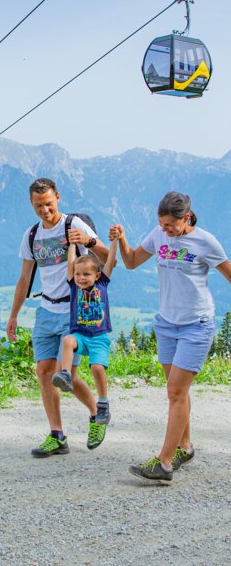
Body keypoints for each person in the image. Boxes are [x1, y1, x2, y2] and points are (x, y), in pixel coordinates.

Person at [110, 191, 231, 483]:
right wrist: (122, 239)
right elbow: (132, 261)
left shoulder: (206, 242)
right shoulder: (158, 234)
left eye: (170, 225)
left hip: (196, 325)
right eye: (161, 224)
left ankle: (164, 462)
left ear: (186, 218)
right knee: (178, 391)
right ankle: (184, 447)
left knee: (175, 392)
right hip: (166, 324)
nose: (165, 230)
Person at [7, 177, 110, 457]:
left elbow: (107, 256)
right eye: (38, 206)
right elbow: (24, 278)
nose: (45, 210)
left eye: (49, 204)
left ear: (58, 198)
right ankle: (57, 435)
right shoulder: (31, 235)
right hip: (46, 310)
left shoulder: (74, 225)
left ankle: (96, 413)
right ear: (31, 204)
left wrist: (88, 241)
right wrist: (13, 315)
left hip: (73, 311)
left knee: (66, 375)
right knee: (44, 372)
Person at [52, 233, 117, 449]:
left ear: (97, 275)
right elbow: (70, 265)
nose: (81, 278)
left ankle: (103, 403)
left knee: (97, 368)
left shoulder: (103, 284)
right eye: (78, 274)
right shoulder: (74, 287)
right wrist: (72, 245)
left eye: (86, 274)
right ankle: (65, 374)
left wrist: (115, 241)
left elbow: (110, 262)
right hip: (80, 335)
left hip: (98, 338)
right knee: (67, 341)